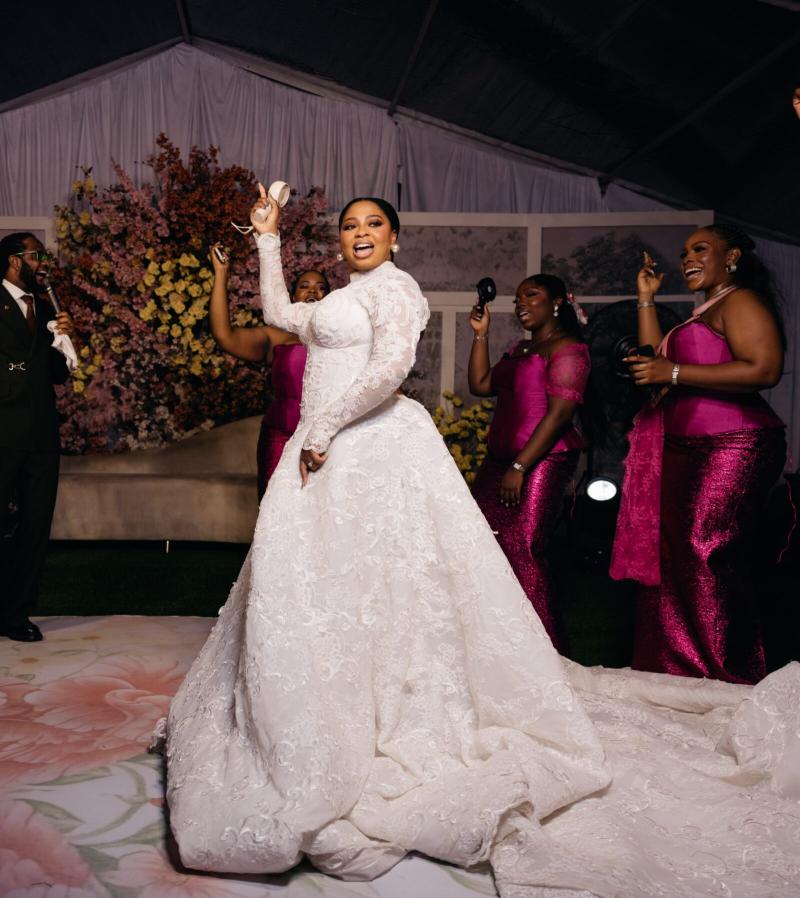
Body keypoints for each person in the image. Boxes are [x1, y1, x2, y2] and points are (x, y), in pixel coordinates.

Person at [162, 188, 800, 894]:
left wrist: (322, 428)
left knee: (384, 581)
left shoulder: (397, 289)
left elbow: (389, 369)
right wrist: (267, 238)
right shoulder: (340, 298)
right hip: (326, 454)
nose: (360, 233)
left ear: (395, 239)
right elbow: (281, 315)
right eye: (349, 225)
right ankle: (319, 701)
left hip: (362, 448)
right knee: (317, 581)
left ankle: (383, 709)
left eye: (374, 224)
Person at [612, 229, 786, 683]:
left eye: (700, 249)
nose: (687, 257)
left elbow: (765, 368)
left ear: (732, 256)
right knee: (673, 555)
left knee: (704, 550)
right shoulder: (703, 312)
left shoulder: (740, 301)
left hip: (733, 443)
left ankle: (725, 675)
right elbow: (656, 363)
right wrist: (645, 299)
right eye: (684, 251)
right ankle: (675, 670)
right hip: (685, 446)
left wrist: (672, 370)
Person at [0, 233, 75, 653]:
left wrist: (61, 339)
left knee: (35, 528)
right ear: (13, 260)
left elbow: (57, 374)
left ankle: (14, 616)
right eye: (37, 255)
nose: (44, 262)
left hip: (41, 434)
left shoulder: (45, 308)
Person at [467, 274, 590, 650]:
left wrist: (520, 468)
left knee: (523, 548)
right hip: (498, 463)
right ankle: (498, 646)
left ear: (557, 302)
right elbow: (480, 384)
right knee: (483, 546)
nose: (521, 303)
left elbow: (559, 415)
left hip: (541, 462)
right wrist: (481, 335)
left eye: (531, 295)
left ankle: (545, 652)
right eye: (518, 297)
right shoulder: (519, 348)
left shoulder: (568, 349)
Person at [208, 243, 327, 497]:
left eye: (321, 288)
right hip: (280, 438)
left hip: (326, 440)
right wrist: (221, 274)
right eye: (304, 286)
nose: (312, 291)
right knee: (275, 510)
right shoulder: (276, 337)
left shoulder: (342, 340)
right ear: (292, 297)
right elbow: (225, 336)